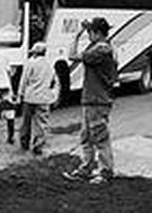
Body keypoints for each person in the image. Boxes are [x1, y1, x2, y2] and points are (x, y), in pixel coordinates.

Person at [65, 17, 118, 184]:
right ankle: (87, 167)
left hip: (97, 100)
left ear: (97, 33)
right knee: (87, 136)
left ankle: (105, 171)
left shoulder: (101, 50)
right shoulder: (103, 47)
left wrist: (76, 36)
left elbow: (72, 55)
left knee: (100, 137)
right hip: (94, 99)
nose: (88, 35)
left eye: (90, 32)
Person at [16, 42, 56, 155]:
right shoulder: (49, 64)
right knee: (41, 123)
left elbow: (24, 80)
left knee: (26, 122)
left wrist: (20, 94)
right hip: (44, 97)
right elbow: (53, 81)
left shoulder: (30, 63)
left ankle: (24, 143)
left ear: (34, 53)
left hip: (30, 97)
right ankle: (38, 145)